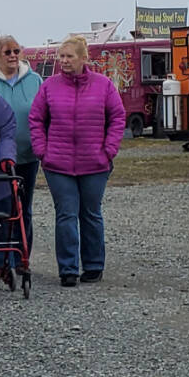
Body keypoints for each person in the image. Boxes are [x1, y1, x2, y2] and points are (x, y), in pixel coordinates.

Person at [28, 34, 124, 288]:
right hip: (58, 164)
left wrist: (109, 149)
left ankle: (93, 265)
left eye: (70, 56)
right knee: (66, 215)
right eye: (61, 56)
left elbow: (117, 117)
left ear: (84, 58)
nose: (64, 61)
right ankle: (68, 268)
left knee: (91, 214)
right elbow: (36, 119)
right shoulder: (49, 86)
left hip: (95, 163)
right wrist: (42, 150)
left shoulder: (103, 85)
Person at [0, 35, 42, 282]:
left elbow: (41, 114)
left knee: (23, 208)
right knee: (0, 208)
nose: (13, 56)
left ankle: (21, 258)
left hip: (27, 156)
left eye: (16, 50)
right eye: (7, 52)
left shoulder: (35, 80)